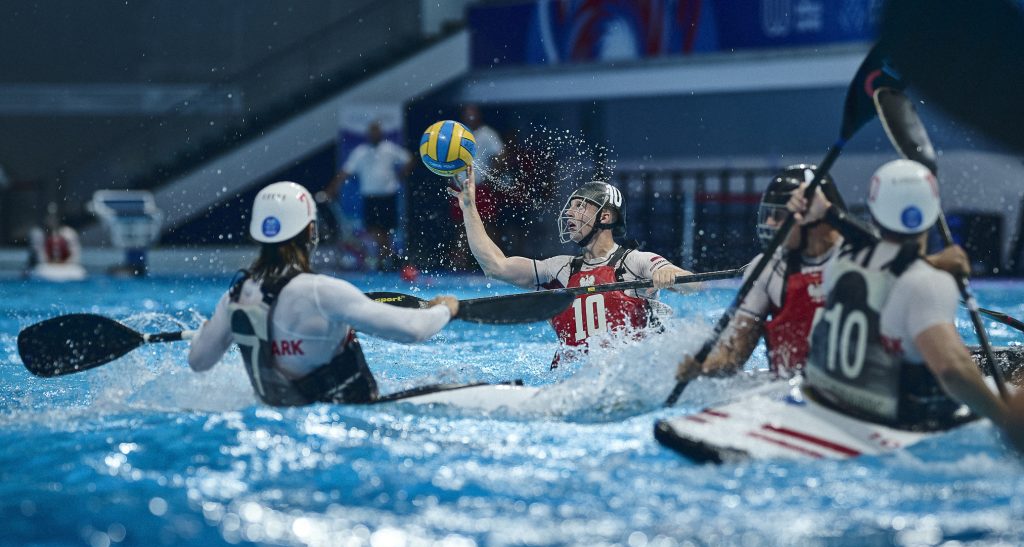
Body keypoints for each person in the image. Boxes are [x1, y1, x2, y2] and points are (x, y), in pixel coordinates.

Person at [676, 164, 970, 383]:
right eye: (768, 214)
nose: (770, 223)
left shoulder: (859, 254)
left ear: (813, 218)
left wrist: (934, 263)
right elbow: (734, 356)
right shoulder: (765, 268)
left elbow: (901, 261)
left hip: (864, 391)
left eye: (779, 215)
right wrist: (702, 367)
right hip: (793, 391)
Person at [188, 181, 458, 406]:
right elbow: (412, 329)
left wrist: (207, 330)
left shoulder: (235, 298)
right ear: (311, 231)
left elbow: (198, 361)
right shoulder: (322, 292)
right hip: (347, 418)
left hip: (278, 415)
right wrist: (445, 308)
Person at [801, 159, 1011, 433]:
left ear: (873, 209)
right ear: (933, 211)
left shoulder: (840, 262)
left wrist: (829, 212)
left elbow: (886, 258)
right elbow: (951, 371)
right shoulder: (928, 282)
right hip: (902, 421)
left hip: (830, 400)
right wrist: (1004, 418)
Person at [452, 166, 696, 367]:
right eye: (570, 206)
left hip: (626, 378)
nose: (569, 212)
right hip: (572, 381)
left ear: (605, 217)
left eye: (580, 206)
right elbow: (495, 266)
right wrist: (469, 208)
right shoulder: (560, 269)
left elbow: (692, 285)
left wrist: (670, 274)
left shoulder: (634, 262)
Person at [320, 121, 414, 270]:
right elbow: (345, 172)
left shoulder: (389, 149)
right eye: (372, 132)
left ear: (381, 133)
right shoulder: (361, 152)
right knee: (373, 229)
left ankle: (385, 258)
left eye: (377, 131)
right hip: (370, 197)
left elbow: (409, 159)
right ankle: (386, 256)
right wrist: (332, 189)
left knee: (386, 230)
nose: (375, 134)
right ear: (368, 135)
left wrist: (401, 175)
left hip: (387, 196)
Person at [27, 202, 86, 281]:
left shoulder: (69, 233)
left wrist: (64, 263)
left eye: (54, 216)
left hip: (67, 267)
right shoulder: (38, 234)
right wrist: (51, 263)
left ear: (59, 218)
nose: (51, 219)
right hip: (45, 268)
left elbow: (75, 255)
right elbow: (40, 257)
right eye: (49, 216)